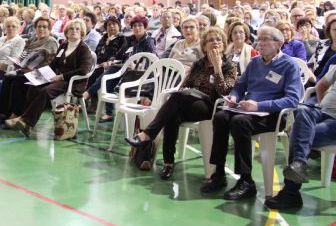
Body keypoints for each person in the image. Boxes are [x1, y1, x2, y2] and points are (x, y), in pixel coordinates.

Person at [201, 26, 302, 200]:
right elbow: (240, 86)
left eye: (265, 39)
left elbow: (292, 99)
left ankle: (246, 181)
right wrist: (233, 96)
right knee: (220, 116)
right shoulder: (255, 62)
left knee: (239, 122)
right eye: (259, 39)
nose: (260, 43)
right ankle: (218, 173)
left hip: (272, 115)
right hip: (248, 110)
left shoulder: (289, 65)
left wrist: (259, 105)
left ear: (278, 43)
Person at [125, 27, 237, 179]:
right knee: (173, 115)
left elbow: (225, 93)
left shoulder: (229, 66)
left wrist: (217, 68)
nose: (215, 43)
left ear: (224, 44)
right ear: (204, 46)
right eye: (210, 40)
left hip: (212, 106)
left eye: (218, 40)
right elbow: (184, 85)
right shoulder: (199, 64)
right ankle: (168, 163)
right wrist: (184, 91)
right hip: (189, 102)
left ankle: (147, 135)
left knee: (178, 97)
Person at [265, 62, 336, 209]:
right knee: (303, 111)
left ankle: (291, 193)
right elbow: (321, 85)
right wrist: (323, 105)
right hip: (322, 111)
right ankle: (299, 165)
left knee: (300, 133)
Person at [4, 19, 92, 137]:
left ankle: (26, 121)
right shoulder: (64, 45)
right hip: (57, 78)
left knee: (45, 91)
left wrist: (62, 76)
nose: (74, 31)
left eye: (77, 29)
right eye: (71, 29)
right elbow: (53, 65)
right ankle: (25, 121)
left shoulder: (83, 49)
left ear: (82, 32)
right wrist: (39, 75)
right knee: (33, 87)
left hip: (72, 82)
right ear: (66, 31)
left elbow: (84, 70)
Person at [0, 17, 59, 121]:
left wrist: (33, 70)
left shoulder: (51, 42)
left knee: (19, 82)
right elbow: (23, 56)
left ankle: (16, 114)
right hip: (26, 70)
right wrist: (19, 62)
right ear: (35, 28)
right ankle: (4, 112)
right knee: (8, 78)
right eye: (39, 26)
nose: (41, 29)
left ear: (49, 29)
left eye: (44, 27)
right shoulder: (32, 40)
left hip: (42, 73)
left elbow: (52, 64)